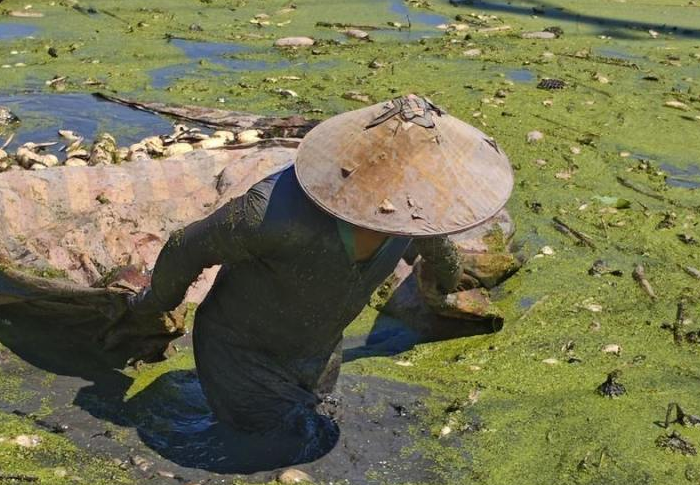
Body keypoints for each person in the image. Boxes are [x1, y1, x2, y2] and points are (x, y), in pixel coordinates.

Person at [123, 94, 513, 445]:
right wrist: (155, 304)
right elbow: (185, 247)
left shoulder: (416, 213)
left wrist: (447, 285)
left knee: (316, 419)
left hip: (319, 348)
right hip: (241, 353)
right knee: (263, 446)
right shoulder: (270, 213)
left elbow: (440, 251)